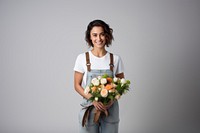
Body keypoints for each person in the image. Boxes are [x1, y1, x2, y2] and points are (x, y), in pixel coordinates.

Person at [73, 19, 125, 133]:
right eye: (95, 35)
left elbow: (122, 85)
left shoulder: (115, 59)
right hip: (90, 108)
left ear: (106, 36)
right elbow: (77, 85)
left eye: (102, 34)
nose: (98, 38)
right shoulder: (82, 58)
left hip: (110, 109)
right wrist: (93, 100)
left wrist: (111, 101)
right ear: (90, 37)